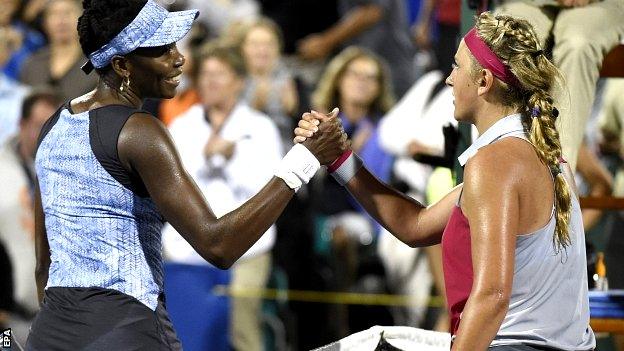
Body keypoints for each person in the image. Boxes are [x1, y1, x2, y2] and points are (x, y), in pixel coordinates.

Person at [26, 0, 347, 349]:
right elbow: (219, 245)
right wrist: (303, 159)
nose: (179, 58)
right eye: (162, 49)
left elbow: (44, 265)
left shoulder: (53, 124)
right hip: (126, 329)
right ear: (121, 65)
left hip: (50, 333)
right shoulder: (140, 131)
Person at [295, 11, 595, 350]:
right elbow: (415, 225)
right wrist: (341, 159)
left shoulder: (495, 163)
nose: (450, 80)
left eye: (456, 67)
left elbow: (493, 296)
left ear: (483, 83)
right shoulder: (540, 155)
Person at [162, 44, 283, 351]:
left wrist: (230, 161)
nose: (211, 82)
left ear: (239, 81)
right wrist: (205, 158)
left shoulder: (260, 127)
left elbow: (270, 190)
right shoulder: (182, 125)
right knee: (185, 331)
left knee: (242, 331)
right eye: (206, 74)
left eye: (220, 75)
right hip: (186, 247)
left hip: (248, 247)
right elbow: (168, 185)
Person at [495, 0, 624, 171]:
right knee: (509, 42)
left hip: (599, 4)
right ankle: (499, 169)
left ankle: (559, 180)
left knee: (577, 46)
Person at [20, 0, 98, 101]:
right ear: (45, 22)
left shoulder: (96, 64)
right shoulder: (32, 64)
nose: (62, 21)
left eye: (68, 13)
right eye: (54, 14)